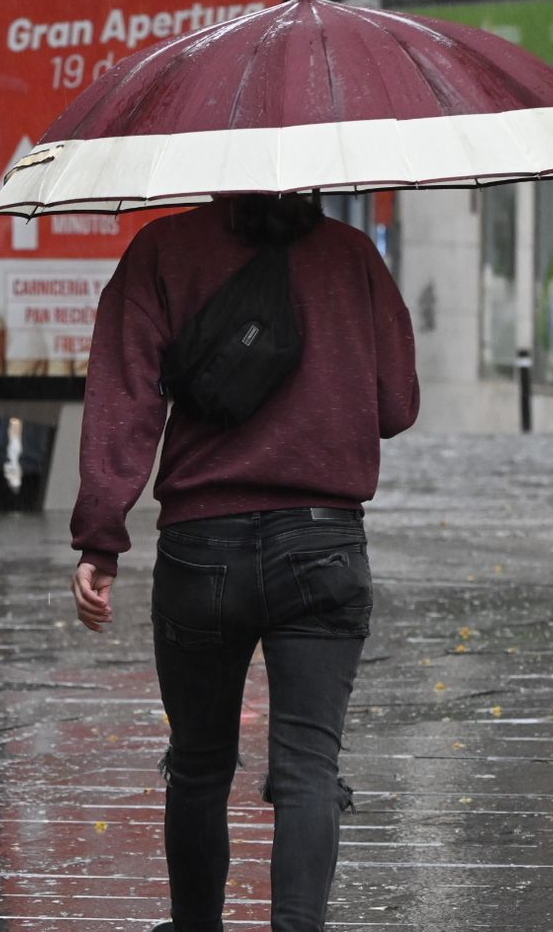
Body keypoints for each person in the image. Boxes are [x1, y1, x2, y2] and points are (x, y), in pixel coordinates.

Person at [67, 194, 419, 932]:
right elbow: (397, 404)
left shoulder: (164, 251)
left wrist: (102, 536)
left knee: (198, 764)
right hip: (323, 545)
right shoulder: (351, 257)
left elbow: (123, 398)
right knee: (308, 769)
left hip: (203, 549)